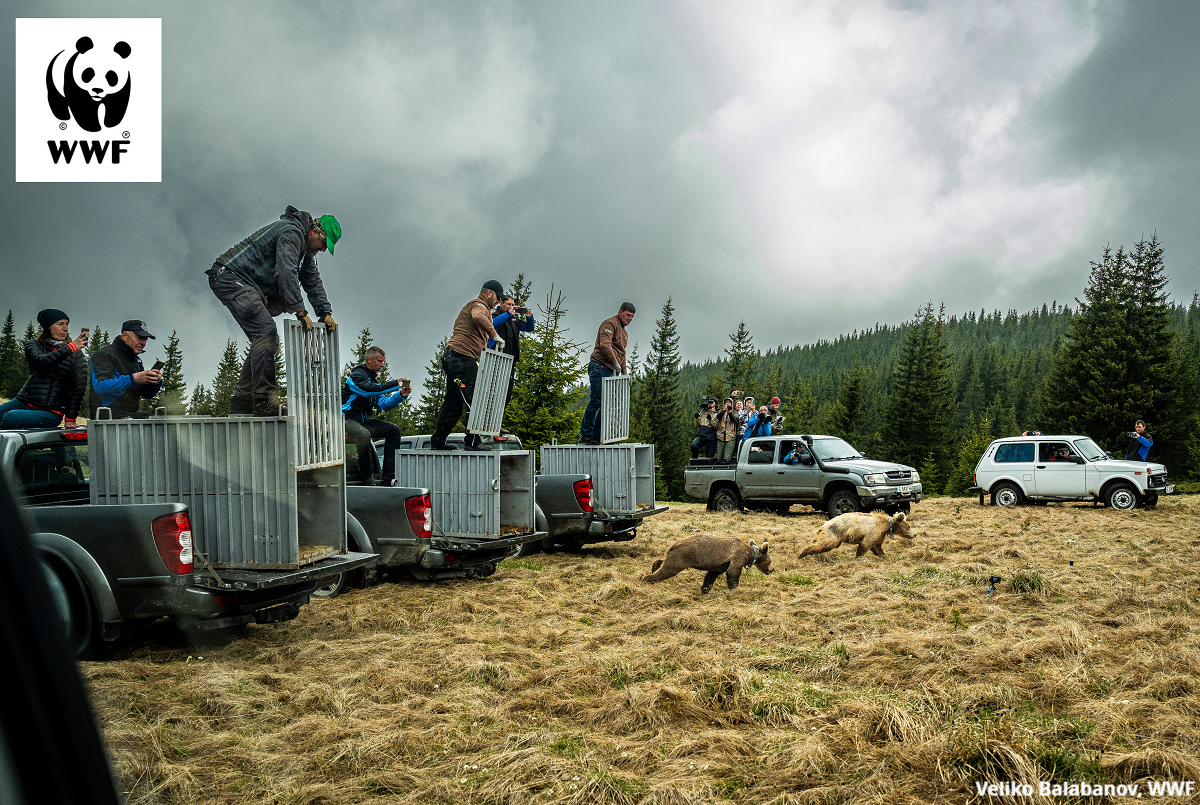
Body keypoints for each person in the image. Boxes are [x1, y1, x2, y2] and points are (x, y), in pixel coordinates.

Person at [207, 205, 340, 417]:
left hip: (249, 285)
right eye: (324, 244)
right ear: (315, 232)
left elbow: (311, 279)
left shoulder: (306, 249)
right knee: (266, 333)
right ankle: (262, 402)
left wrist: (324, 312)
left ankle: (242, 402)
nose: (324, 249)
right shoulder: (291, 232)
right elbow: (285, 270)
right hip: (229, 277)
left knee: (267, 338)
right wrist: (300, 311)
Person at [432, 281, 505, 451]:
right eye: (497, 298)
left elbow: (477, 336)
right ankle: (473, 442)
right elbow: (478, 316)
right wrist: (495, 335)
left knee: (454, 403)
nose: (498, 302)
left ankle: (438, 441)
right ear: (489, 293)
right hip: (461, 358)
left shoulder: (483, 308)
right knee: (476, 398)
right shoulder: (479, 305)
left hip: (455, 358)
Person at [0, 309, 88, 429]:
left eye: (67, 324)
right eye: (60, 324)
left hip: (52, 412)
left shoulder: (77, 356)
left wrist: (70, 418)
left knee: (10, 417)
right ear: (48, 327)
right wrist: (71, 348)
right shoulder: (34, 345)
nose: (65, 328)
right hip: (24, 402)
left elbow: (79, 388)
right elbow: (40, 363)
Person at [342, 346, 409, 485]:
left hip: (362, 421)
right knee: (364, 434)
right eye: (379, 361)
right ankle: (367, 477)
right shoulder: (356, 376)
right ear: (369, 360)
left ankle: (388, 477)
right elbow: (367, 391)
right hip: (346, 418)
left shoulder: (374, 381)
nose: (382, 365)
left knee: (393, 430)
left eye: (383, 362)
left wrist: (399, 396)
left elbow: (383, 403)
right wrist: (394, 384)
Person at [579, 302, 635, 445]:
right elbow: (605, 345)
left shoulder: (624, 333)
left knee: (607, 404)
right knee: (596, 400)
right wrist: (615, 363)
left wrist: (624, 372)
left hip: (611, 370)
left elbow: (622, 352)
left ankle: (598, 435)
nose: (629, 319)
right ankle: (586, 434)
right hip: (599, 366)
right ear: (620, 311)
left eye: (632, 317)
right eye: (628, 315)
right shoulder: (609, 324)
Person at [88, 320, 163, 419]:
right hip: (106, 417)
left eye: (145, 339)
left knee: (158, 421)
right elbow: (99, 386)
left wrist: (154, 383)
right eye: (140, 338)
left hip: (127, 415)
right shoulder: (104, 355)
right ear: (124, 336)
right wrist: (133, 379)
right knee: (154, 422)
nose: (143, 343)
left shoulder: (136, 360)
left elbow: (146, 394)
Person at [487, 294, 535, 429]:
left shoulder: (514, 319)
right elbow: (492, 324)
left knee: (506, 394)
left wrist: (529, 317)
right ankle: (489, 421)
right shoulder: (494, 315)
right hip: (496, 358)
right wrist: (508, 313)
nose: (511, 307)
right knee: (494, 391)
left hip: (510, 360)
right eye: (508, 304)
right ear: (500, 304)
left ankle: (497, 422)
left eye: (512, 304)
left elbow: (529, 328)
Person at [714, 397, 739, 463]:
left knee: (727, 458)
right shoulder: (720, 411)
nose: (727, 404)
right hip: (720, 436)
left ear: (732, 404)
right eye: (726, 402)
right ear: (724, 404)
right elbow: (717, 417)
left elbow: (736, 421)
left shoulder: (735, 412)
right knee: (719, 458)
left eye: (729, 402)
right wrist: (723, 411)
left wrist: (730, 413)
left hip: (731, 437)